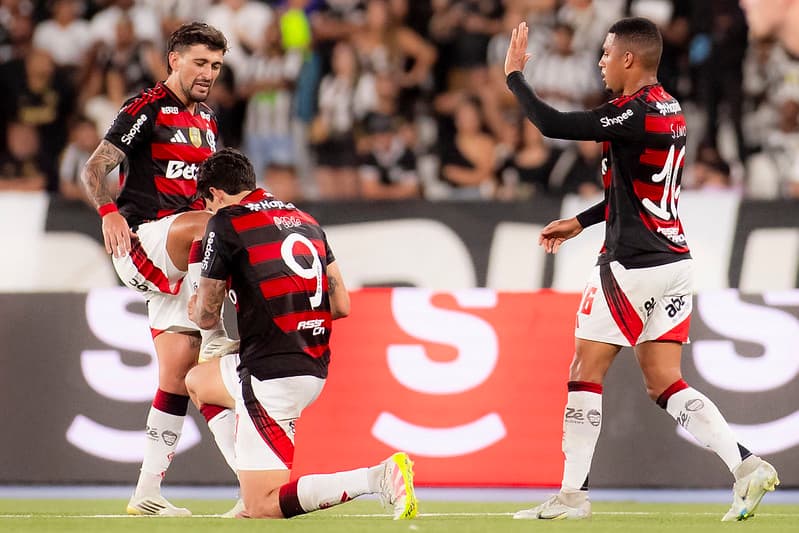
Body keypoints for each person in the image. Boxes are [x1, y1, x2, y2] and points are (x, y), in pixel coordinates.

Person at [504, 18, 779, 521]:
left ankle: (571, 498)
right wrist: (582, 222)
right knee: (664, 382)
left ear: (630, 58)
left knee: (584, 372)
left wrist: (515, 77)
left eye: (607, 53)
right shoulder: (668, 109)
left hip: (630, 266)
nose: (601, 61)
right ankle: (745, 465)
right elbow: (637, 194)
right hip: (674, 263)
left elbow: (554, 124)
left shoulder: (631, 114)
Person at [184, 147, 419, 520]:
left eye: (207, 202)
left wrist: (193, 301)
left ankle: (377, 477)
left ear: (215, 194)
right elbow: (341, 305)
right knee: (198, 381)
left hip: (270, 372)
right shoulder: (304, 218)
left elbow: (208, 314)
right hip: (313, 364)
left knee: (264, 506)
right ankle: (248, 484)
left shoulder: (226, 221)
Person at [80, 22, 239, 516]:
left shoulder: (209, 120)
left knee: (181, 377)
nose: (208, 73)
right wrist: (108, 214)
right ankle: (215, 331)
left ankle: (153, 491)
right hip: (143, 243)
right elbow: (93, 169)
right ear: (173, 59)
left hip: (182, 260)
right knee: (208, 225)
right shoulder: (145, 108)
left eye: (215, 65)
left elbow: (206, 194)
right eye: (199, 62)